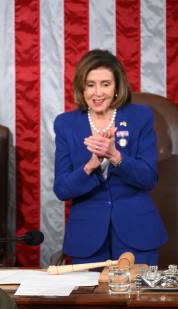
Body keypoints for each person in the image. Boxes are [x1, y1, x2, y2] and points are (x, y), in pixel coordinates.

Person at [53, 49, 168, 266]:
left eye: (105, 84)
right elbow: (62, 189)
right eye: (90, 84)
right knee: (92, 300)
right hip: (87, 238)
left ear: (117, 87)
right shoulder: (66, 124)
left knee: (138, 299)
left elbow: (148, 178)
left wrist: (115, 156)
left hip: (137, 233)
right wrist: (90, 165)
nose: (98, 93)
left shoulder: (140, 116)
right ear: (81, 87)